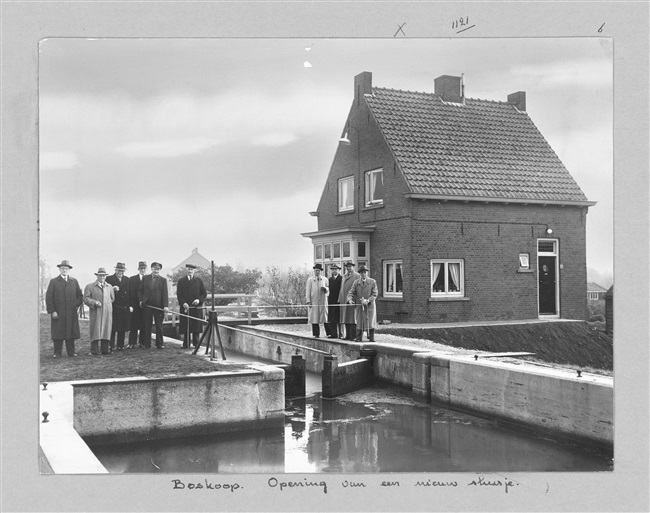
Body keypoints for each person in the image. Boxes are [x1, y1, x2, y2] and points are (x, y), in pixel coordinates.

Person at [45, 259, 83, 357]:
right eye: (62, 268)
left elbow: (79, 296)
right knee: (58, 333)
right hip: (59, 312)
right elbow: (49, 298)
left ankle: (71, 352)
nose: (64, 270)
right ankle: (57, 353)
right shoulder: (54, 282)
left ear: (69, 270)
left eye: (66, 269)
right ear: (59, 270)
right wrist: (52, 311)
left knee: (71, 332)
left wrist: (75, 304)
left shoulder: (74, 281)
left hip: (71, 312)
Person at [84, 267, 115, 355]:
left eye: (103, 276)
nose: (102, 277)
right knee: (95, 329)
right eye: (100, 275)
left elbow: (112, 298)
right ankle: (94, 350)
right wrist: (94, 302)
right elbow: (86, 299)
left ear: (106, 277)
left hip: (107, 312)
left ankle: (105, 349)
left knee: (106, 329)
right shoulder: (90, 286)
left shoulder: (109, 287)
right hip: (96, 312)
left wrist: (106, 305)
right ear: (97, 276)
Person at [176, 263, 207, 349]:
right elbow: (179, 294)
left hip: (196, 308)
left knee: (196, 325)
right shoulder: (181, 281)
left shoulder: (199, 280)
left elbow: (204, 293)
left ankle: (196, 343)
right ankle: (186, 343)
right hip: (186, 307)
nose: (190, 271)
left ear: (194, 271)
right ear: (186, 270)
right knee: (186, 325)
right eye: (188, 269)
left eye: (192, 270)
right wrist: (183, 303)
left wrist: (198, 300)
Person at [139, 261, 169, 349]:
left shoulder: (163, 280)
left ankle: (159, 344)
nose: (156, 271)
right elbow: (140, 290)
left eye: (158, 269)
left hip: (158, 306)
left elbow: (165, 293)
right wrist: (141, 300)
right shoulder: (145, 278)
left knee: (159, 325)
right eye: (155, 269)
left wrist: (165, 306)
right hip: (147, 306)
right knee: (147, 325)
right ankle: (147, 344)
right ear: (151, 269)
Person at [346, 265, 378, 342]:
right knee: (359, 321)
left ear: (367, 273)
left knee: (370, 321)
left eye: (365, 272)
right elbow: (351, 292)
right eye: (362, 273)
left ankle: (371, 337)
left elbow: (375, 294)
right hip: (360, 306)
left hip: (370, 306)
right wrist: (349, 299)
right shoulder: (356, 282)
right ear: (359, 273)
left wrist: (368, 300)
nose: (363, 274)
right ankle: (358, 338)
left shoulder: (372, 282)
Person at [106, 262, 131, 351]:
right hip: (113, 306)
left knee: (122, 327)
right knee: (112, 327)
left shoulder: (127, 280)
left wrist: (130, 306)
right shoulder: (109, 279)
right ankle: (111, 345)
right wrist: (112, 289)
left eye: (122, 271)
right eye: (119, 270)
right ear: (115, 270)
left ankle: (120, 345)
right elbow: (105, 291)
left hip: (124, 307)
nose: (121, 272)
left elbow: (130, 294)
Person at [128, 261, 148, 349]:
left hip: (145, 306)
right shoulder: (132, 279)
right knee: (134, 325)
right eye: (141, 269)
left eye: (144, 268)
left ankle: (142, 343)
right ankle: (132, 343)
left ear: (146, 269)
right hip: (135, 305)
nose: (142, 270)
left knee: (144, 324)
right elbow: (130, 293)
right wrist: (130, 305)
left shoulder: (149, 279)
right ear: (138, 269)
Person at [305, 263, 329, 338]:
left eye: (318, 271)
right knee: (314, 317)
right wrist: (308, 300)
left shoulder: (325, 279)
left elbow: (328, 290)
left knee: (325, 317)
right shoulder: (310, 280)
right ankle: (316, 333)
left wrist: (325, 289)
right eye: (316, 270)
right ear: (314, 271)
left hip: (322, 300)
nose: (317, 272)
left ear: (321, 271)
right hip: (314, 300)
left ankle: (329, 333)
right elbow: (308, 291)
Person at [338, 261, 360, 341]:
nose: (348, 268)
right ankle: (347, 335)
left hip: (352, 300)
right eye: (347, 266)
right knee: (345, 317)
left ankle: (352, 335)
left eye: (350, 266)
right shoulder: (344, 276)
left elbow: (358, 288)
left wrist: (355, 299)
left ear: (353, 267)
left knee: (352, 318)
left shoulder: (357, 276)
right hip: (344, 300)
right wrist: (340, 299)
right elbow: (341, 288)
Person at [325, 264, 342, 339]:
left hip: (339, 300)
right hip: (331, 301)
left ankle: (341, 334)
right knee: (332, 318)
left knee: (339, 318)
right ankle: (333, 334)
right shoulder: (330, 280)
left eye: (336, 269)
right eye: (333, 269)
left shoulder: (342, 279)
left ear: (339, 270)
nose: (334, 271)